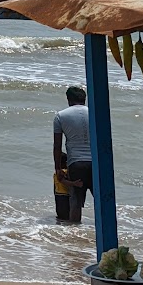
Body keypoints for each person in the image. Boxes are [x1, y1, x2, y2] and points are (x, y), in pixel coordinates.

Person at [53, 87, 91, 224]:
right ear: (84, 99)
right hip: (96, 162)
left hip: (76, 162)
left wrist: (58, 169)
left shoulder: (61, 116)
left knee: (75, 201)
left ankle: (75, 234)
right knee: (100, 199)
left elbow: (57, 145)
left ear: (68, 99)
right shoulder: (94, 113)